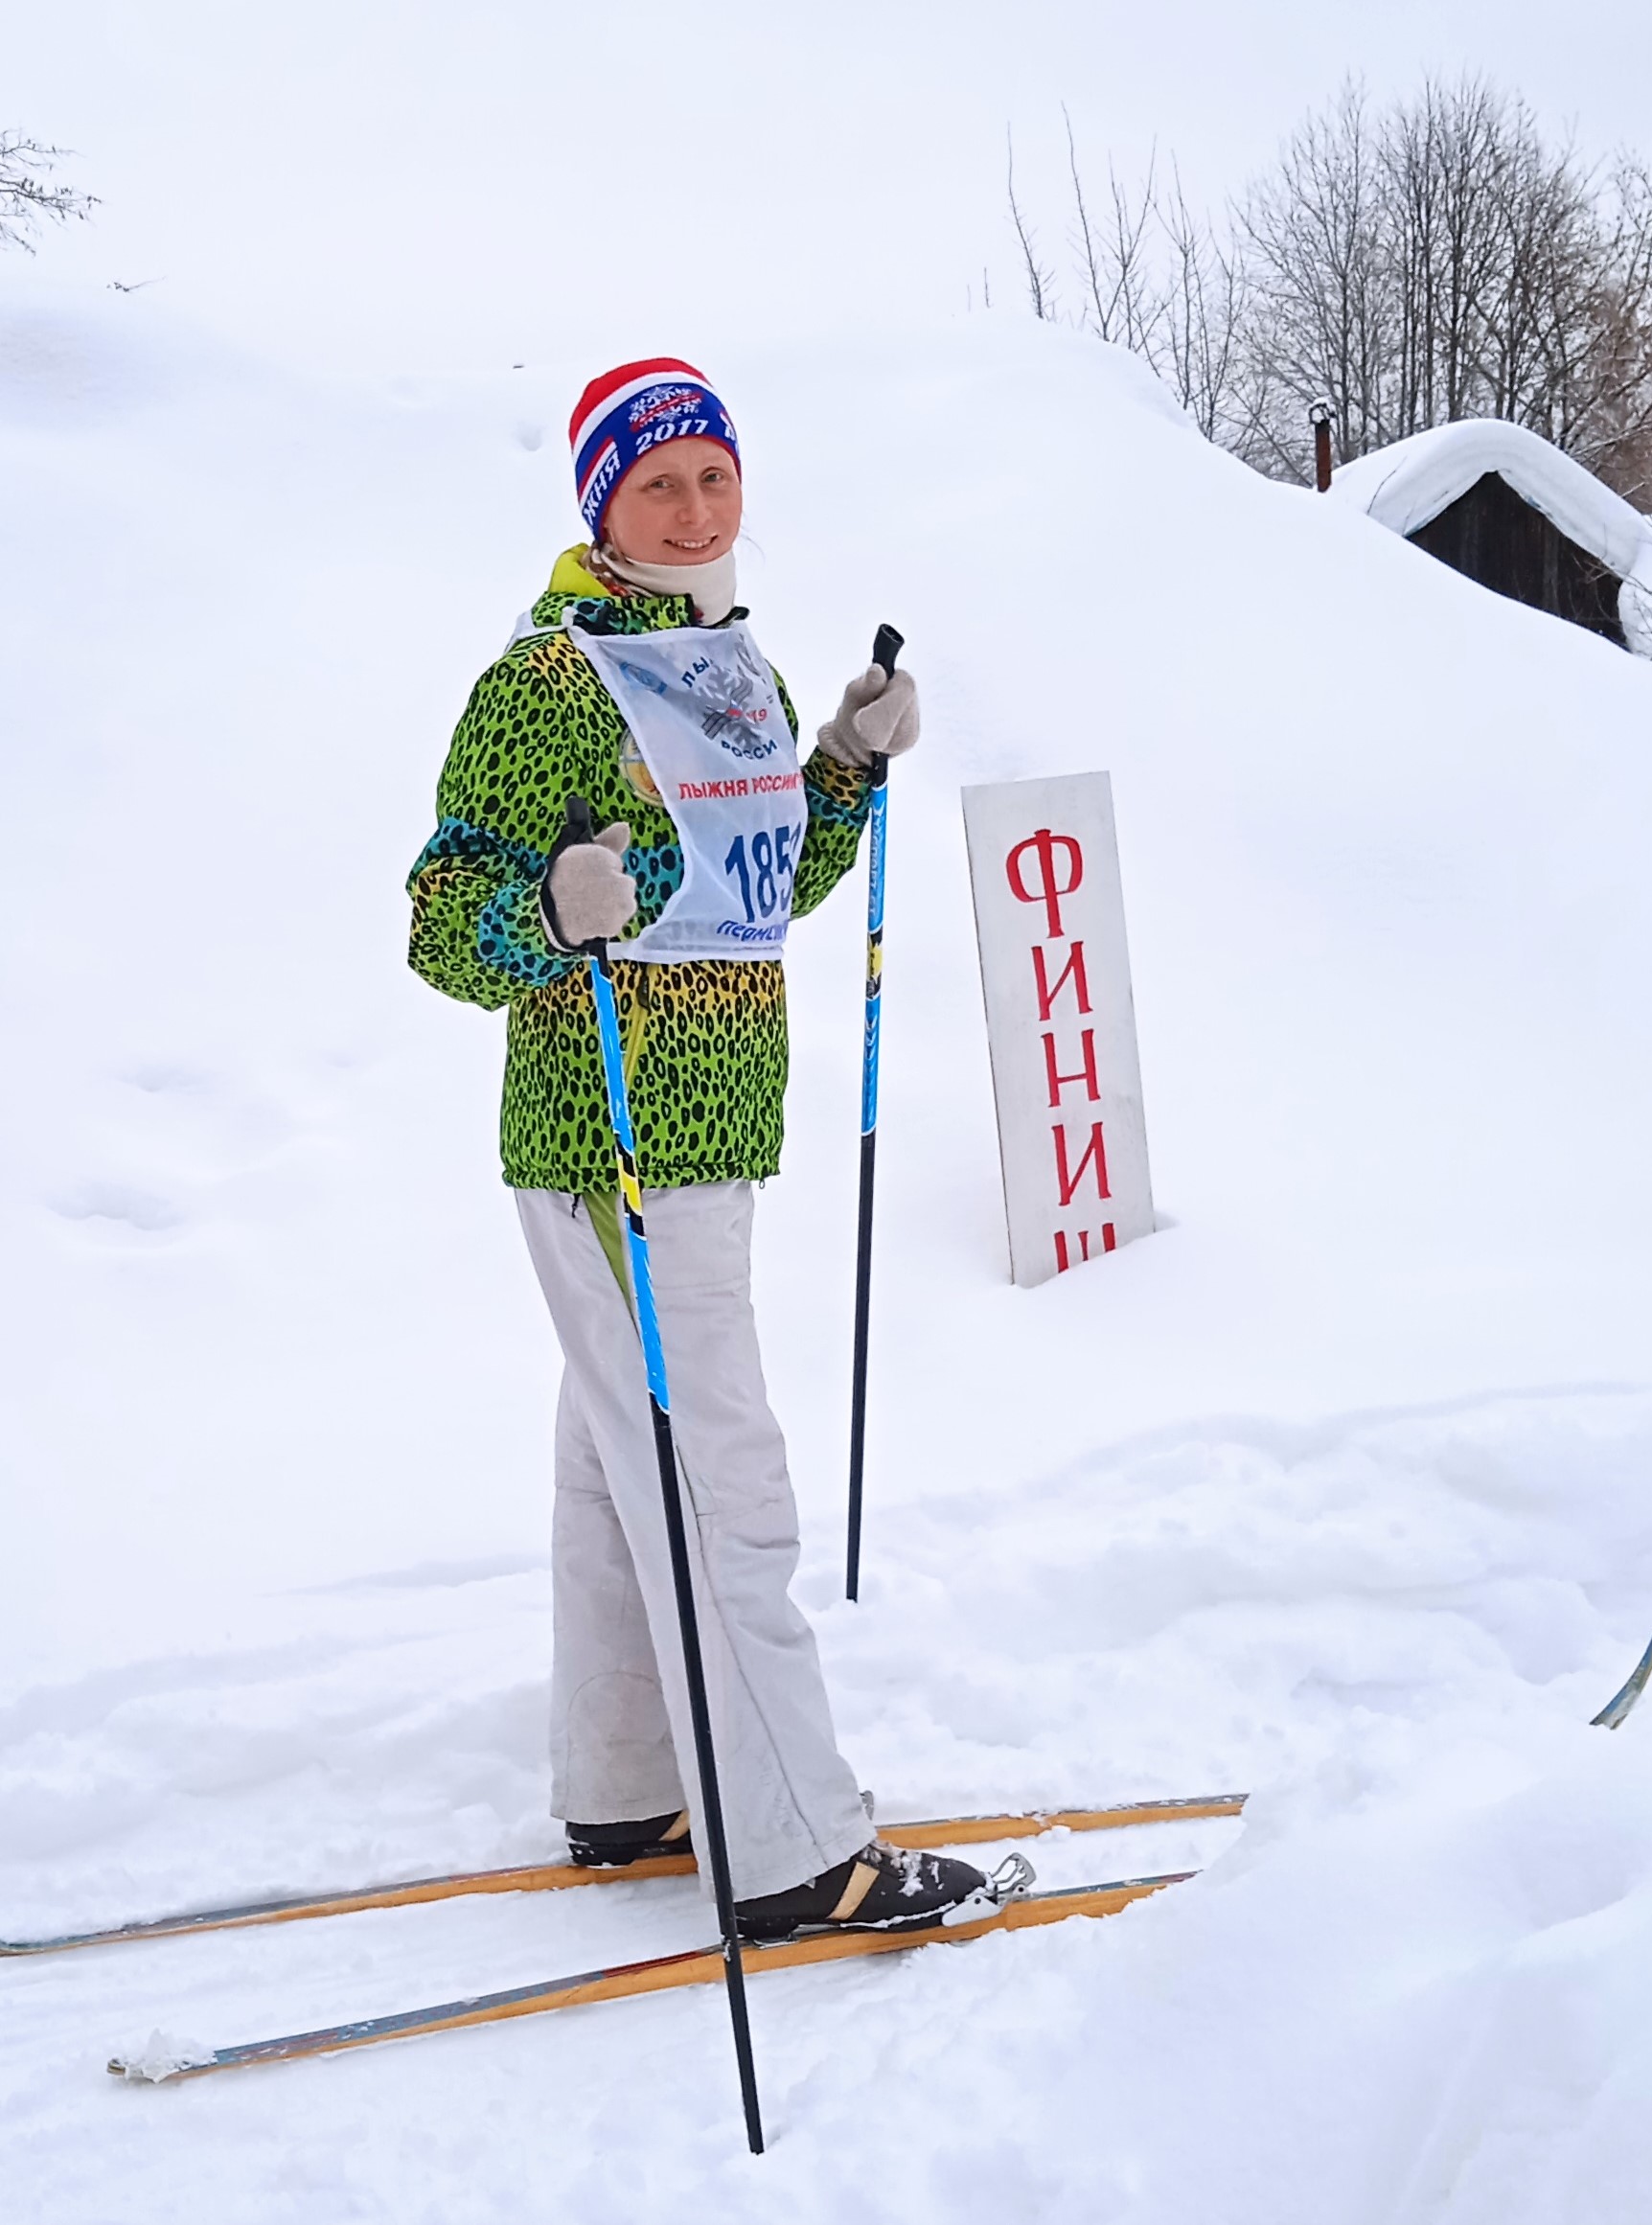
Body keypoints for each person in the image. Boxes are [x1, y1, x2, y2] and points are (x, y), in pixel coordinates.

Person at [407, 358, 989, 1939]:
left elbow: (759, 888)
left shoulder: (736, 673)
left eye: (713, 475)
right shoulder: (546, 683)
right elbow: (443, 921)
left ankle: (625, 1778)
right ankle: (797, 1842)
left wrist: (848, 768)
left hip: (712, 1122)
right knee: (717, 1474)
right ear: (600, 502)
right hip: (610, 1130)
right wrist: (540, 910)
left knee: (619, 1461)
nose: (691, 506)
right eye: (656, 483)